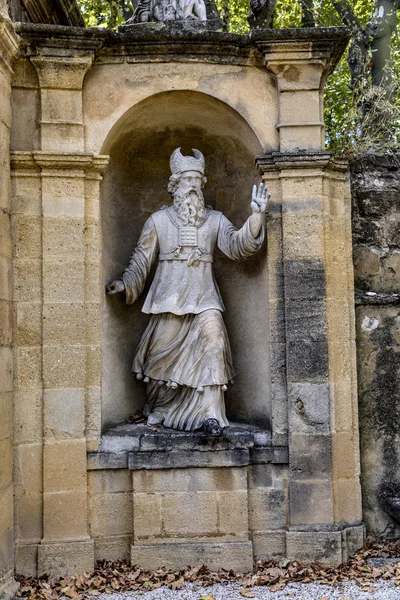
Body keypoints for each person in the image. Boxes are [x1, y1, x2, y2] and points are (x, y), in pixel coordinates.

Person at [107, 148, 269, 435]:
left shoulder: (215, 220)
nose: (192, 187)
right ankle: (163, 408)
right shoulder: (158, 222)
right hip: (167, 299)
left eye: (197, 181)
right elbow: (141, 261)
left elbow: (237, 246)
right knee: (159, 360)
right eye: (186, 180)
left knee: (214, 345)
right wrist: (125, 283)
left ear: (203, 184)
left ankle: (211, 416)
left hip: (205, 297)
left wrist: (255, 217)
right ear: (174, 185)